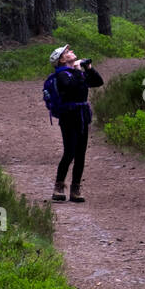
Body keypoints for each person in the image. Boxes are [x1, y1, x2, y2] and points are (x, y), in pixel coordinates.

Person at [48, 44, 104, 202]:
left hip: (82, 116)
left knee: (81, 154)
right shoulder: (62, 74)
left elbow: (98, 82)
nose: (71, 52)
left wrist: (89, 68)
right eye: (67, 52)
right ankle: (58, 187)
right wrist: (79, 70)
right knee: (70, 152)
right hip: (68, 116)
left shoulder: (76, 72)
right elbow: (70, 87)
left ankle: (75, 189)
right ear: (61, 60)